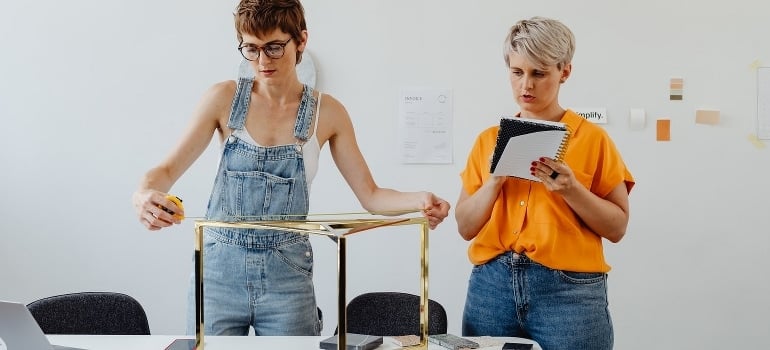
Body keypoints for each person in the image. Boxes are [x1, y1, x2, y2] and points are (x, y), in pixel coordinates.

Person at [131, 0, 450, 336]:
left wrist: (420, 199)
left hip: (287, 275)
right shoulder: (222, 99)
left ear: (301, 40)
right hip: (218, 275)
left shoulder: (328, 113)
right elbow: (165, 171)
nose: (262, 61)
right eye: (250, 49)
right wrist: (143, 195)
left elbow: (371, 196)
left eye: (274, 47)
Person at [455, 17, 634, 350]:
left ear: (564, 72)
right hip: (491, 288)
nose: (527, 85)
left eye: (539, 73)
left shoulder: (593, 139)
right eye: (517, 72)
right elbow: (465, 227)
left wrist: (571, 190)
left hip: (570, 291)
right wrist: (494, 182)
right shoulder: (488, 141)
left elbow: (618, 228)